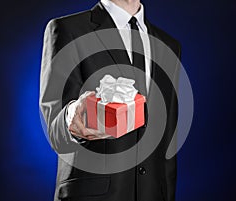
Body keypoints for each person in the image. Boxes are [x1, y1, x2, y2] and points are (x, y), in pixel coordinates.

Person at [39, 0, 181, 200]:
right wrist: (72, 116)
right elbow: (55, 129)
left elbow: (167, 142)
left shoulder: (170, 46)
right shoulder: (67, 30)